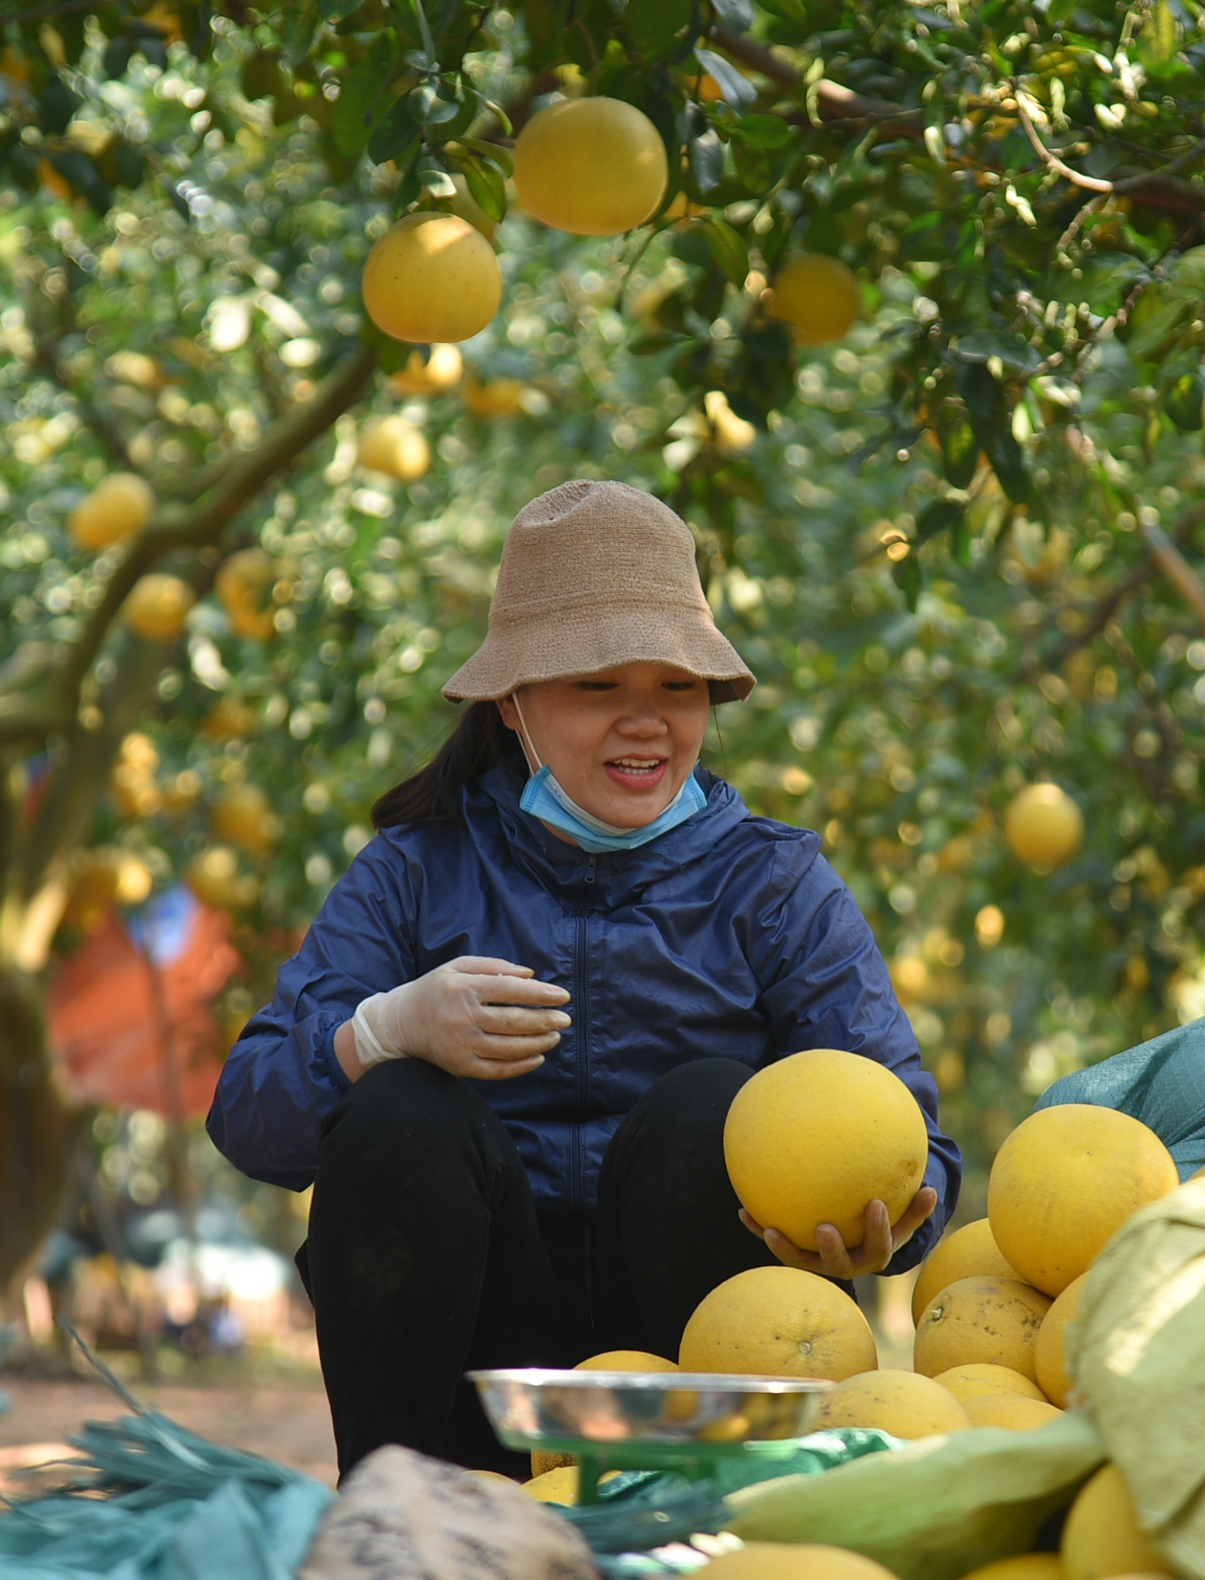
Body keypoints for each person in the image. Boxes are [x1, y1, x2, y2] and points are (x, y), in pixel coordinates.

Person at [208, 479, 958, 1476]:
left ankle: (707, 1506)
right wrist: (378, 1032)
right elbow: (247, 1118)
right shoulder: (414, 872)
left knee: (710, 1109)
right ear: (512, 703)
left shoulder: (775, 886)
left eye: (677, 687)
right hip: (478, 1380)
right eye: (598, 686)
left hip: (696, 1375)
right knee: (398, 1110)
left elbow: (912, 1138)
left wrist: (885, 1223)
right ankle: (400, 1511)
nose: (645, 723)